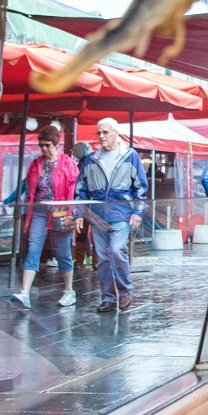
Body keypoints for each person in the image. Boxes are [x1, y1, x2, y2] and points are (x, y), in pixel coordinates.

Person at [73, 118, 148, 313]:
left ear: (116, 133)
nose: (101, 136)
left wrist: (138, 212)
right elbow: (80, 189)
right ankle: (108, 297)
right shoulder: (90, 159)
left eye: (105, 132)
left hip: (121, 213)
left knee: (116, 250)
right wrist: (78, 213)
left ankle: (124, 291)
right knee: (102, 258)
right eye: (99, 133)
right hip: (98, 216)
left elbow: (140, 187)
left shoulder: (130, 156)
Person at [11, 127, 79, 310]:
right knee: (33, 248)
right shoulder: (35, 164)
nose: (44, 149)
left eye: (47, 145)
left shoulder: (68, 163)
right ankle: (25, 292)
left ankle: (69, 291)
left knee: (63, 251)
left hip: (60, 211)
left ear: (56, 144)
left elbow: (72, 190)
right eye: (41, 145)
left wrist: (71, 214)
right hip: (39, 211)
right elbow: (29, 189)